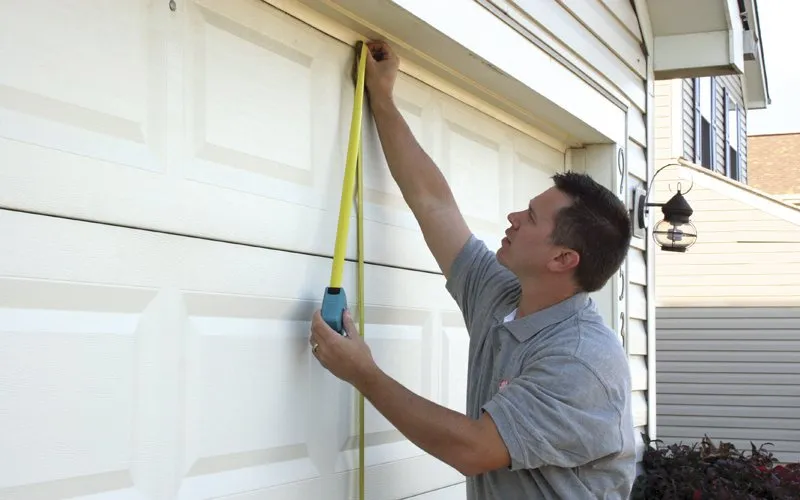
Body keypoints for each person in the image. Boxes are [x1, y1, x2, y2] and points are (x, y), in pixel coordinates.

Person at [308, 40, 636, 499]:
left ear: (563, 259)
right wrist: (382, 100)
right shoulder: (503, 298)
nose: (513, 218)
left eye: (531, 218)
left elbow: (475, 449)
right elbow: (433, 203)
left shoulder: (580, 361)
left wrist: (363, 373)